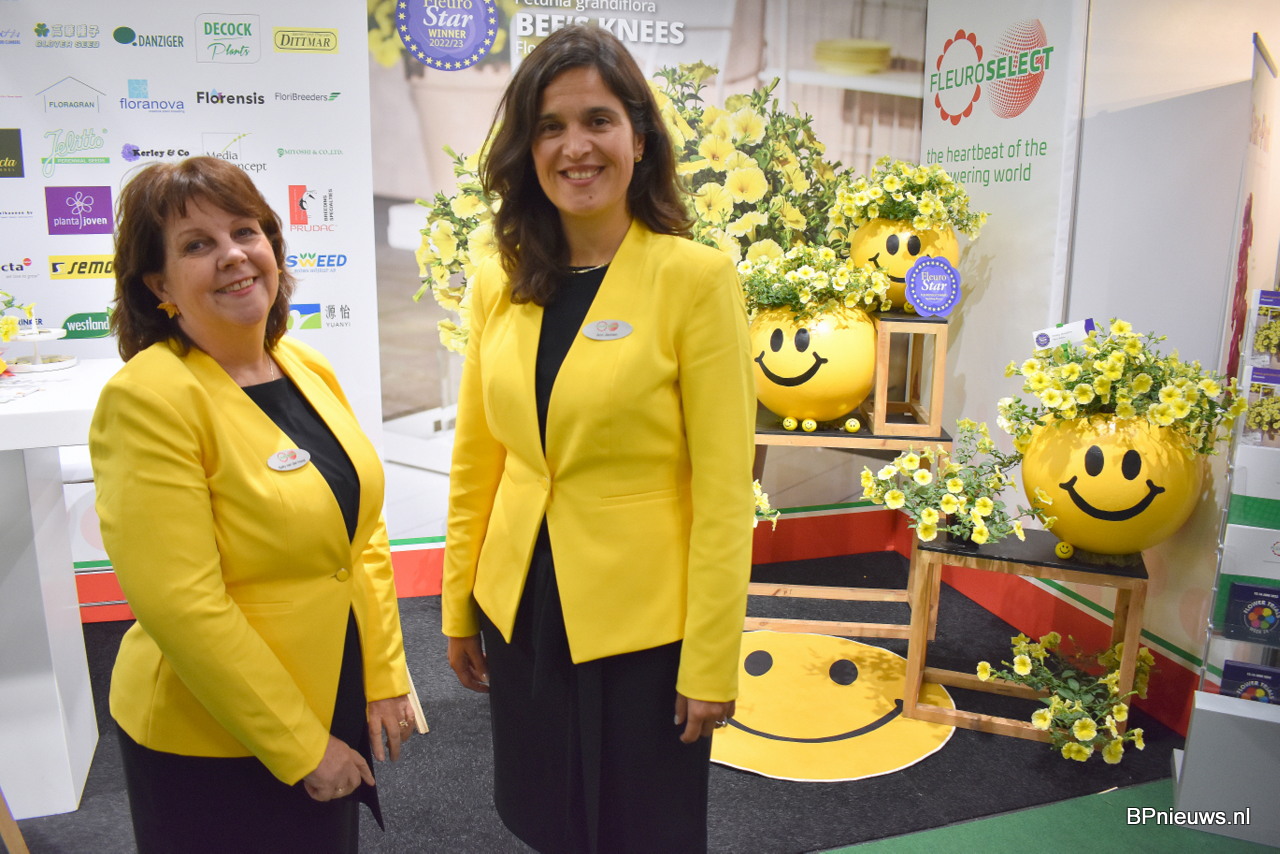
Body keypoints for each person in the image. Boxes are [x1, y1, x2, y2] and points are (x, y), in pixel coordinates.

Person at [440, 24, 756, 854]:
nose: (575, 147)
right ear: (527, 148)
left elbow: (726, 491)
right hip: (523, 606)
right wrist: (458, 604)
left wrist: (712, 658)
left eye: (598, 120)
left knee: (642, 828)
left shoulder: (695, 280)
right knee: (546, 814)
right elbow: (478, 458)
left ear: (638, 139)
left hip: (645, 628)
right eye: (550, 127)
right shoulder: (497, 276)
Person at [90, 156, 416, 854]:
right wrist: (303, 746)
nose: (234, 255)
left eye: (246, 231)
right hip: (215, 734)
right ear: (159, 285)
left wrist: (383, 674)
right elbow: (184, 606)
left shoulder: (303, 366)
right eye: (197, 245)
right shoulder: (148, 400)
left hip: (329, 690)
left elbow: (360, 537)